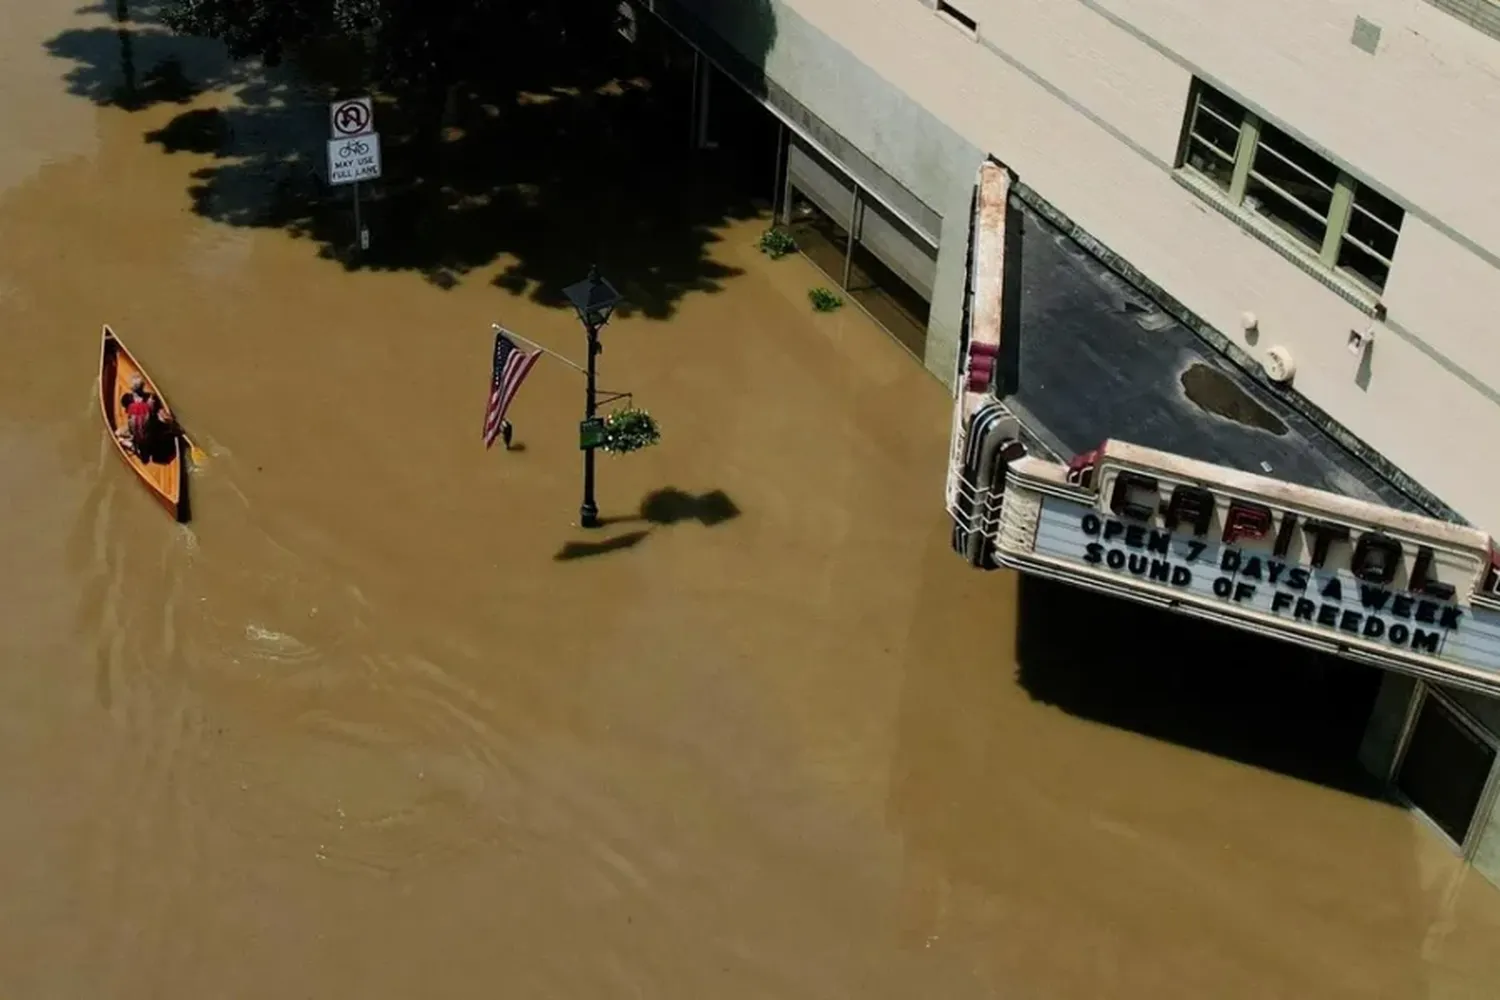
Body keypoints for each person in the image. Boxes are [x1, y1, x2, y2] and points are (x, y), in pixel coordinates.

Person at [115, 373, 172, 459]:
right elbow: (162, 416)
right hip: (150, 436)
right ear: (143, 387)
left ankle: (131, 445)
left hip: (137, 437)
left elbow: (128, 412)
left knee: (117, 433)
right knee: (160, 423)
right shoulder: (150, 401)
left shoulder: (129, 402)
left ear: (131, 389)